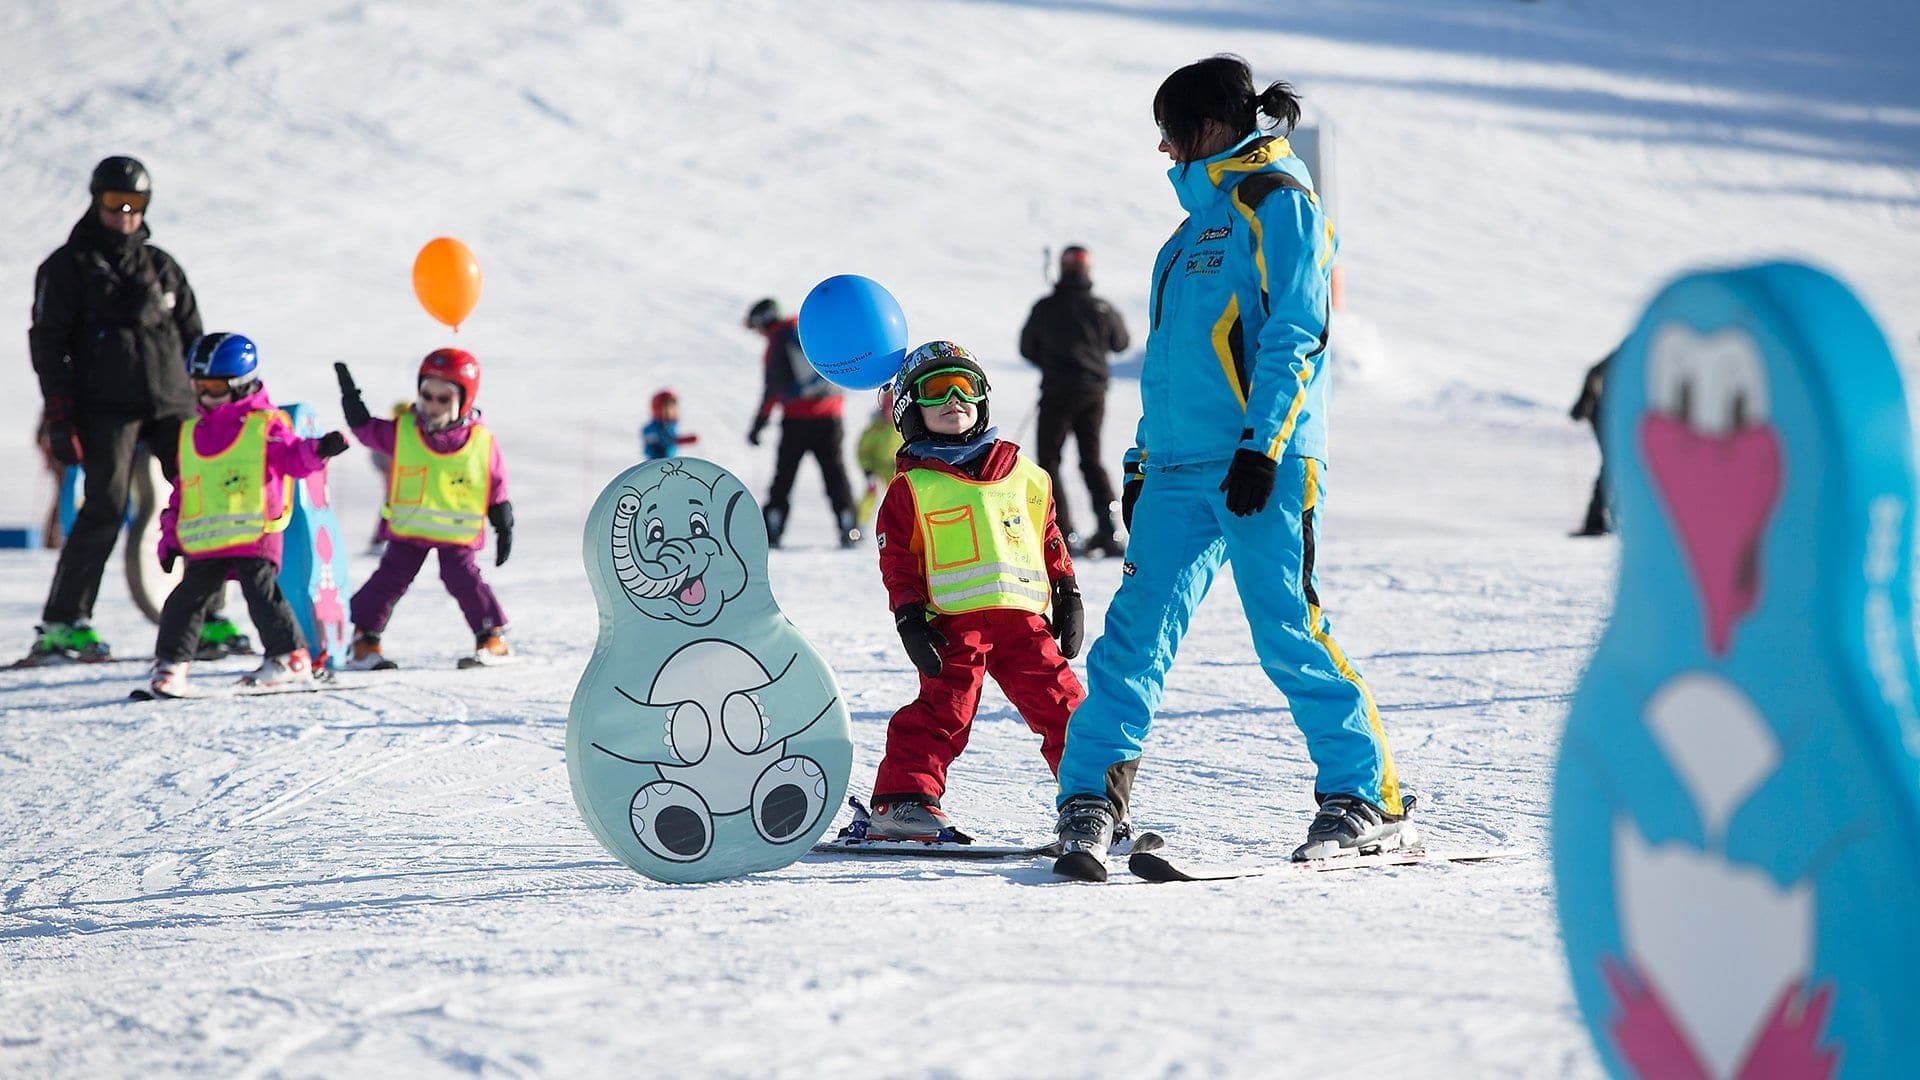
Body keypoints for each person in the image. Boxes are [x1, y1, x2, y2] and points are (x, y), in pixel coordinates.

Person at [1051, 56, 1408, 881]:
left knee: (1287, 627)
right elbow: (1171, 365)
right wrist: (1140, 461)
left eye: (1169, 131)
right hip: (1178, 470)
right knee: (1133, 637)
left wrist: (1264, 443)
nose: (1164, 149)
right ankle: (1093, 797)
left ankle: (1366, 797)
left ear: (1208, 126)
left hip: (1263, 462)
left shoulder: (1277, 202)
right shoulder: (1182, 240)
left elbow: (1297, 330)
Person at [21, 156, 250, 664]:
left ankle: (207, 616)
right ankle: (64, 623)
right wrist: (60, 414)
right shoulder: (67, 268)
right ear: (95, 201)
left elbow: (196, 338)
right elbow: (48, 344)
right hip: (105, 410)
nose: (125, 214)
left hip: (173, 404)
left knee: (202, 502)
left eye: (135, 205)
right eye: (114, 203)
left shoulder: (162, 266)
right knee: (104, 506)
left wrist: (214, 401)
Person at [865, 341, 1085, 839]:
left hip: (1024, 623)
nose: (955, 399)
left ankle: (1093, 799)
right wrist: (908, 617)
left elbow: (1047, 536)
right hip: (953, 625)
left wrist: (1068, 591)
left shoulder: (1027, 475)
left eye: (968, 387)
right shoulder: (913, 488)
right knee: (944, 711)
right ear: (909, 409)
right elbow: (897, 559)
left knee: (1066, 707)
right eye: (936, 389)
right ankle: (902, 802)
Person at [144, 334, 349, 697]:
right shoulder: (191, 433)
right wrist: (171, 539)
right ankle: (171, 666)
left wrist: (319, 450)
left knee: (262, 592)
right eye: (200, 385)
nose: (206, 395)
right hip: (208, 541)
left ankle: (289, 657)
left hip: (255, 532)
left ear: (240, 384)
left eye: (215, 386)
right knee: (185, 601)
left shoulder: (264, 425)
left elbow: (292, 456)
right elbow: (184, 491)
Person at [334, 349, 515, 670]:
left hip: (456, 533)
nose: (432, 406)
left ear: (465, 400)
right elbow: (365, 431)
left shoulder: (481, 442)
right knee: (390, 578)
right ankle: (365, 641)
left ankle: (492, 637)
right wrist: (352, 399)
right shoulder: (404, 431)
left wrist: (502, 521)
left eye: (443, 399)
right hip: (410, 530)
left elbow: (496, 482)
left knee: (462, 578)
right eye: (426, 395)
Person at [1019, 245, 1131, 557]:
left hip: (1056, 393)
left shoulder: (1046, 308)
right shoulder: (1101, 309)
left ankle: (1061, 531)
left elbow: (1027, 348)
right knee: (1091, 461)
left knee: (1049, 462)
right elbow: (1121, 343)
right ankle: (1109, 530)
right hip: (1093, 394)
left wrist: (1051, 360)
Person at [743, 298, 859, 548]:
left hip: (796, 420)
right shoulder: (809, 331)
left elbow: (772, 389)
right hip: (830, 417)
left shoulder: (778, 341)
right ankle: (848, 524)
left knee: (784, 477)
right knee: (835, 474)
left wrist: (758, 426)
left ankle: (773, 528)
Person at [1570, 350, 1614, 537]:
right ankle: (1595, 521)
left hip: (1603, 413)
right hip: (1605, 414)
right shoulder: (1633, 350)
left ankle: (1598, 520)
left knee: (1612, 467)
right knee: (1612, 466)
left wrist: (1580, 407)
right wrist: (1581, 405)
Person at [853, 388, 903, 532]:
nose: (890, 410)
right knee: (871, 493)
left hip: (895, 468)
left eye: (893, 406)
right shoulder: (875, 428)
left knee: (899, 496)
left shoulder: (902, 426)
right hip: (876, 467)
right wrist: (868, 470)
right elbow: (863, 451)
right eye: (887, 406)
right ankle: (860, 525)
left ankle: (900, 527)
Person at [641, 389, 699, 460]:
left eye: (673, 407)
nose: (672, 411)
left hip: (668, 462)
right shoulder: (654, 428)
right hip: (656, 463)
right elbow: (667, 440)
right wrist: (684, 440)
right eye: (668, 407)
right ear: (658, 409)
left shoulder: (670, 426)